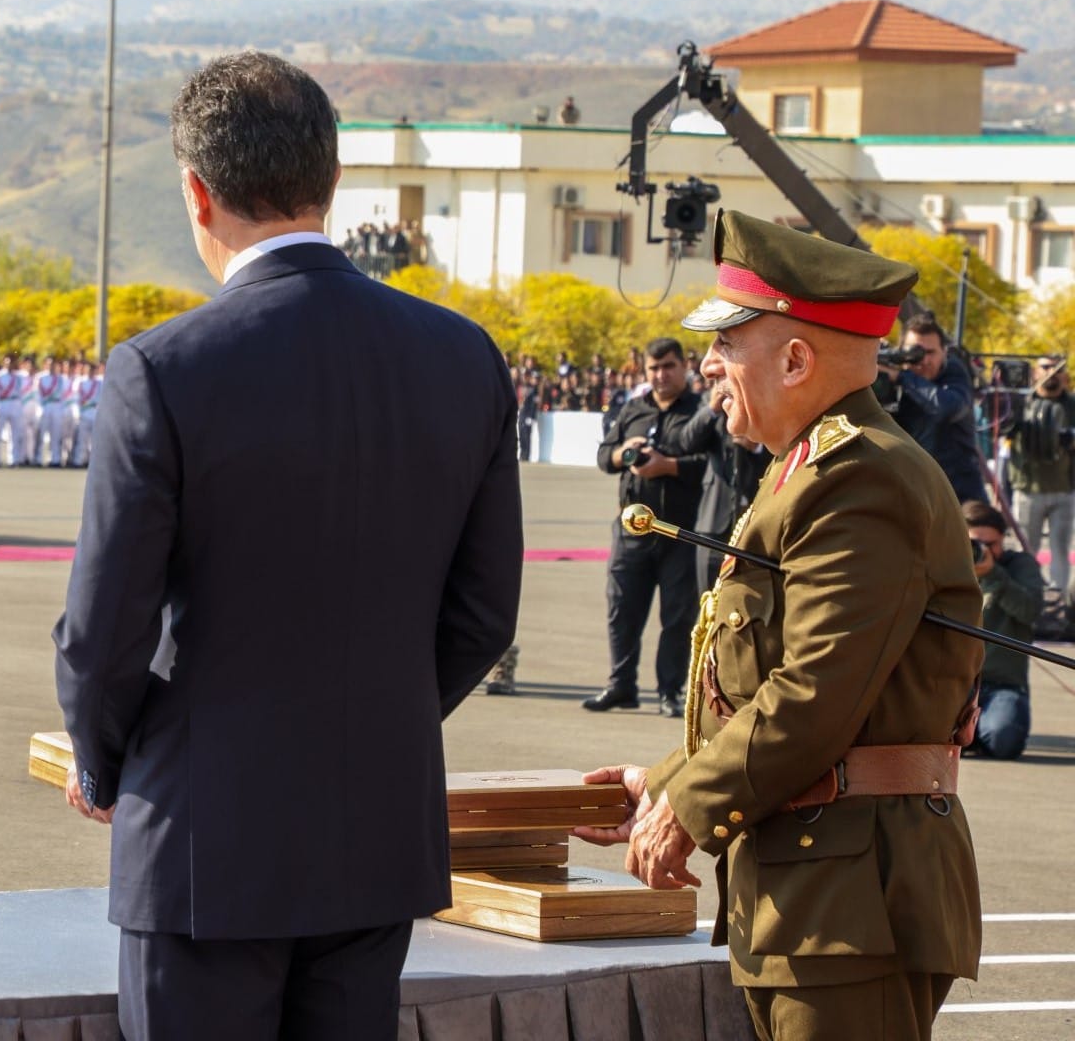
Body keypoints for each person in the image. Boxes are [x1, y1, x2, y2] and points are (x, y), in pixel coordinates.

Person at [54, 52, 522, 1041]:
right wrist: (360, 716)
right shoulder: (459, 356)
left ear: (195, 191)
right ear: (331, 180)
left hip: (203, 836)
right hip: (372, 830)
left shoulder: (162, 369)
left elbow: (103, 639)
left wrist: (105, 765)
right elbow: (482, 615)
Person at [578, 210, 981, 1041]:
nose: (710, 368)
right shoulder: (803, 473)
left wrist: (688, 806)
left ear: (796, 360)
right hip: (815, 893)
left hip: (852, 901)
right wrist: (662, 783)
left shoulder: (862, 479)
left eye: (728, 347)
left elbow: (813, 697)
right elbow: (760, 690)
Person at [589, 337, 706, 717]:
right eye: (653, 368)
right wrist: (625, 453)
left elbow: (715, 464)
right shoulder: (633, 410)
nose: (661, 375)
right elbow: (605, 456)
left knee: (677, 615)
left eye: (668, 366)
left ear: (684, 366)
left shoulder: (701, 410)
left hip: (680, 530)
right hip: (632, 530)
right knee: (621, 609)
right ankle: (621, 685)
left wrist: (669, 466)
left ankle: (670, 691)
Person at [962, 501, 1041, 759]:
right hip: (955, 686)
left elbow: (1030, 610)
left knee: (1003, 739)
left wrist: (994, 575)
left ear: (1003, 540)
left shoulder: (1020, 566)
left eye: (992, 544)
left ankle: (973, 734)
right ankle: (967, 734)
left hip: (1003, 686)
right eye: (975, 544)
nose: (984, 551)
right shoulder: (949, 568)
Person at [664, 400, 769, 594]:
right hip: (713, 524)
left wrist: (757, 448)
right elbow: (685, 443)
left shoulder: (765, 400)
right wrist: (712, 408)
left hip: (755, 527)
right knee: (707, 598)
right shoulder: (710, 408)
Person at [887, 316, 987, 503]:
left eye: (931, 352)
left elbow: (948, 407)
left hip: (958, 492)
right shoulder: (891, 374)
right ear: (901, 352)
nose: (923, 360)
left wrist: (903, 377)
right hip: (909, 490)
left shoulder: (953, 371)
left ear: (944, 352)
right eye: (915, 352)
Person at [1004, 356, 1075, 596]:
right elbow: (1001, 428)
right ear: (1035, 372)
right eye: (1046, 367)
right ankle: (1027, 598)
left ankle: (1061, 602)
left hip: (1064, 490)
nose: (1051, 372)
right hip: (1028, 490)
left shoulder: (1072, 404)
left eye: (1057, 368)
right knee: (1026, 550)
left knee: (1060, 548)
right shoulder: (1022, 401)